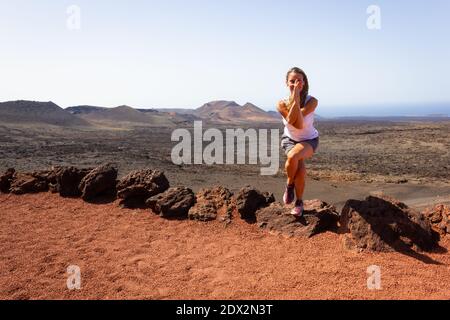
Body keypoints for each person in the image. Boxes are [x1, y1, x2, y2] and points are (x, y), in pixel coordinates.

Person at [277, 67, 319, 216]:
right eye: (292, 81)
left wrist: (295, 98)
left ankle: (289, 185)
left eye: (299, 80)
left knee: (294, 157)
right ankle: (299, 203)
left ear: (304, 83)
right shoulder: (281, 104)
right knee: (298, 165)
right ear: (286, 83)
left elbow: (299, 124)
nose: (295, 83)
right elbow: (290, 121)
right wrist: (294, 98)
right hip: (289, 140)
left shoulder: (312, 101)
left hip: (309, 140)